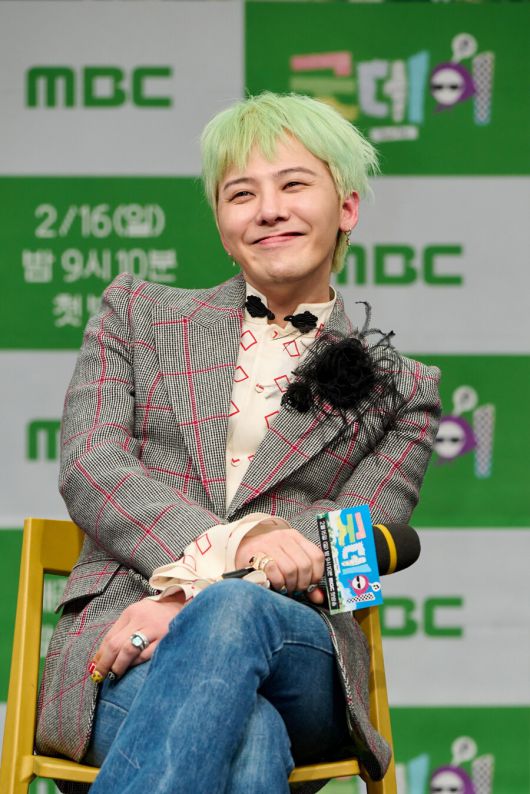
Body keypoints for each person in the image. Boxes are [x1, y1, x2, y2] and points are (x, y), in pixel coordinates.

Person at [36, 92, 441, 793]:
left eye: (294, 185)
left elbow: (350, 555)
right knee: (251, 743)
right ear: (224, 228)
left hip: (299, 649)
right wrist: (241, 544)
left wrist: (193, 600)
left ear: (346, 208)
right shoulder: (137, 316)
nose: (269, 210)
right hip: (122, 640)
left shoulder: (402, 389)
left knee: (232, 613)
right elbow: (92, 467)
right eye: (241, 194)